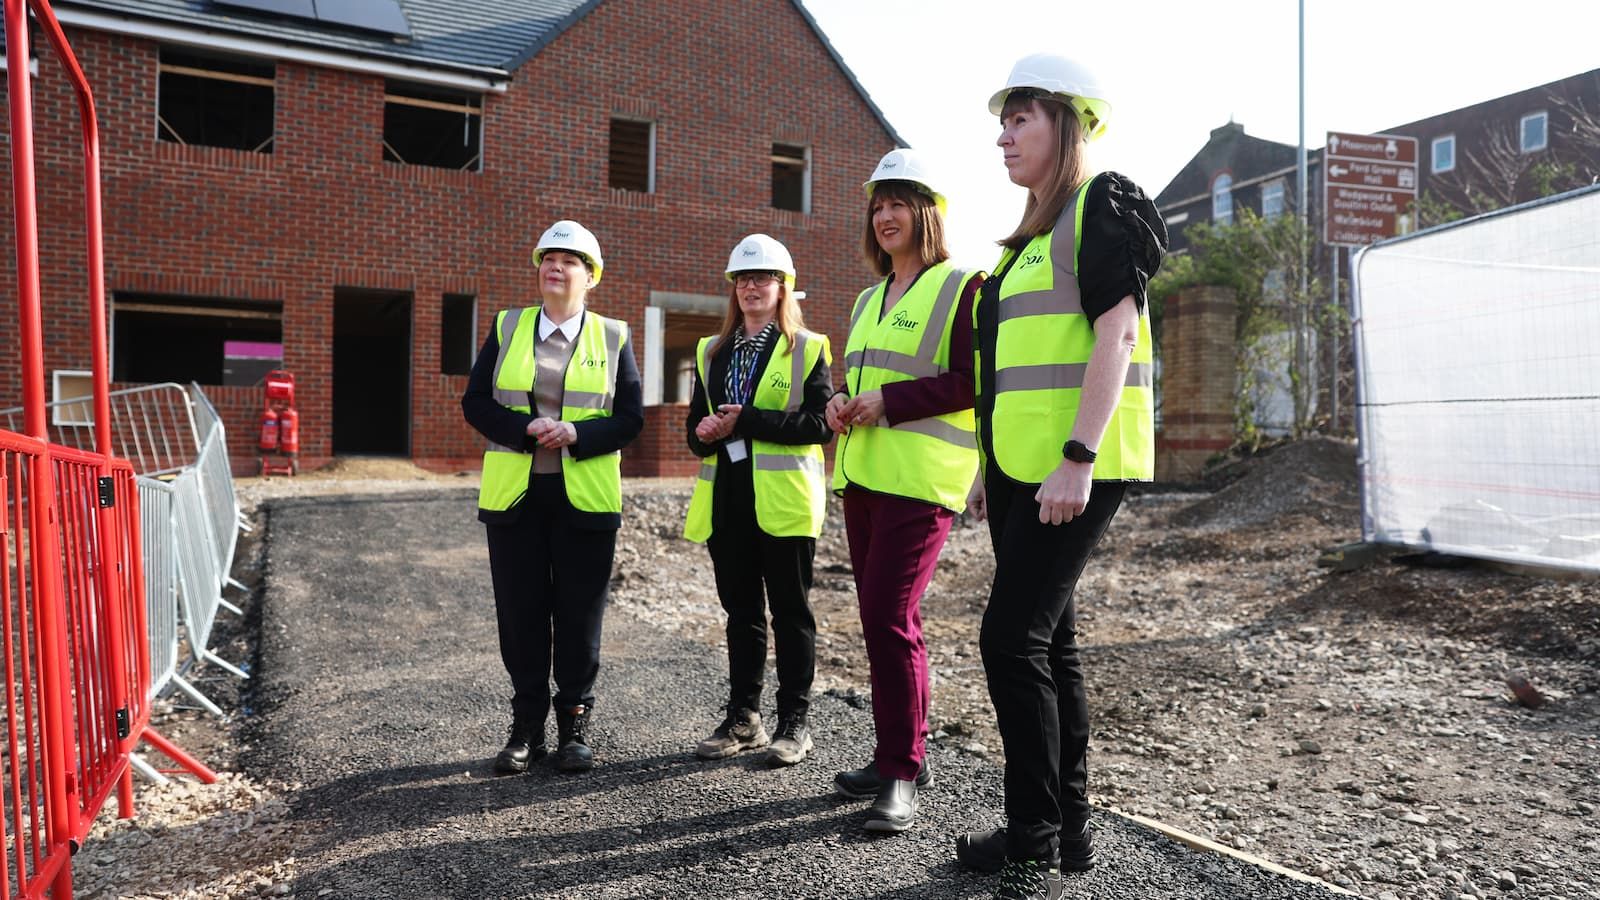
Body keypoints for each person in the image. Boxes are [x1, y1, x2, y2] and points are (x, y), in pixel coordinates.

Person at [955, 53, 1166, 899]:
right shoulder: (1026, 245)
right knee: (1051, 644)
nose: (1004, 137)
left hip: (1072, 466)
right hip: (1019, 469)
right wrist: (987, 469)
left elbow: (1117, 334)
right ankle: (1067, 831)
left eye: (1021, 119)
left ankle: (1032, 838)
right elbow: (1010, 372)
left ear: (1066, 124)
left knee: (1010, 641)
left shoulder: (1101, 206)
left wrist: (1079, 456)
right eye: (1003, 122)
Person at [825, 148, 982, 833]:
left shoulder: (965, 285)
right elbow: (861, 378)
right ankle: (897, 751)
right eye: (878, 206)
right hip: (863, 476)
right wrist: (838, 400)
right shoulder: (868, 298)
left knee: (891, 620)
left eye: (898, 204)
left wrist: (888, 402)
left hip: (921, 483)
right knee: (878, 622)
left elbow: (974, 382)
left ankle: (900, 773)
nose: (885, 216)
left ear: (928, 212)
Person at [461, 219, 643, 775]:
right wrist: (525, 429)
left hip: (585, 500)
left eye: (569, 261)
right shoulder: (508, 325)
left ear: (591, 276)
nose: (555, 268)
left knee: (579, 616)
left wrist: (577, 433)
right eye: (548, 259)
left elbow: (630, 419)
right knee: (521, 614)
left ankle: (574, 727)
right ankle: (526, 729)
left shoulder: (613, 335)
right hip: (515, 498)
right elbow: (475, 402)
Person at [683, 234, 833, 768]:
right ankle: (744, 718)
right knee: (741, 613)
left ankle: (794, 723)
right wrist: (703, 432)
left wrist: (747, 420)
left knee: (791, 613)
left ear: (782, 287)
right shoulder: (711, 350)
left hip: (785, 501)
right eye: (743, 279)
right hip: (728, 498)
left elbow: (820, 425)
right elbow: (694, 431)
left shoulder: (807, 347)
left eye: (762, 278)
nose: (751, 286)